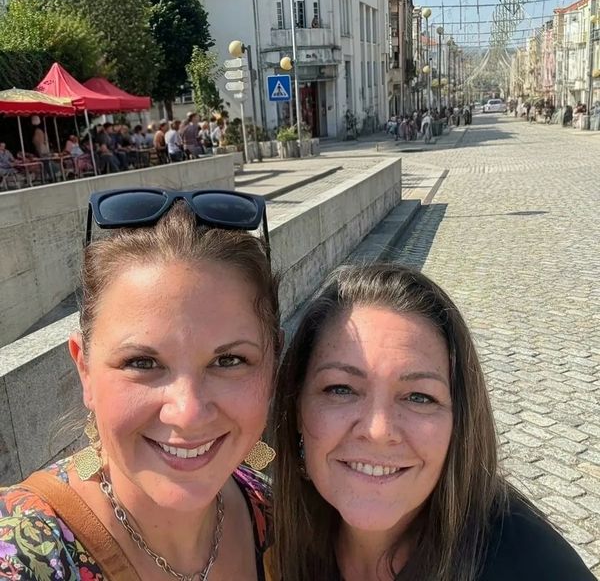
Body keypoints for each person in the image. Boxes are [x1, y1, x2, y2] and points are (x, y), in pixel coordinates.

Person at [0, 187, 279, 580]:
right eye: (142, 362)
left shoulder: (269, 510)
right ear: (85, 370)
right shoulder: (27, 553)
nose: (188, 413)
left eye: (228, 360)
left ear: (273, 364)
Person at [270, 263, 595, 581]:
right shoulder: (270, 535)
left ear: (460, 420)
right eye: (341, 389)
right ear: (296, 407)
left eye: (419, 397)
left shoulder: (536, 567)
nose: (378, 430)